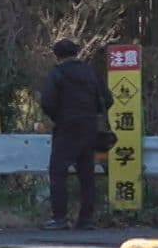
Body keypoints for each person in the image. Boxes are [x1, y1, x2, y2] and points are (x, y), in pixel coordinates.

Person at [40, 38, 112, 230]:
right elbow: (108, 99)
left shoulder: (57, 73)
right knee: (86, 173)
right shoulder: (90, 72)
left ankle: (59, 217)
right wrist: (93, 112)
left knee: (58, 171)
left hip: (66, 126)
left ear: (57, 56)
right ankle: (86, 219)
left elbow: (47, 101)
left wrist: (58, 116)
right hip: (89, 126)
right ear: (76, 52)